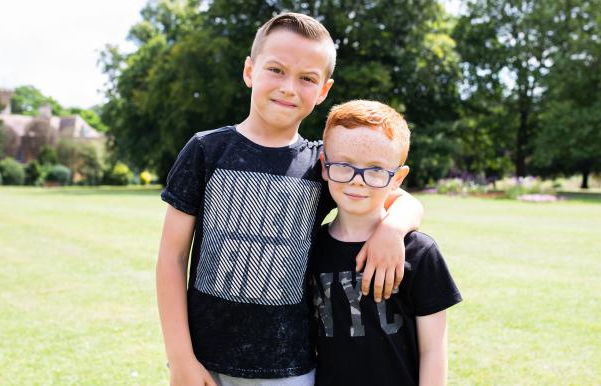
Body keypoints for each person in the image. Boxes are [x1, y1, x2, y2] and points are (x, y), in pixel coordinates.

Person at [155, 13, 424, 386]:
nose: (289, 88)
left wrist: (393, 230)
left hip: (290, 369)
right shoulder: (206, 150)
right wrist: (180, 357)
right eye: (276, 70)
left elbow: (402, 197)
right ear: (250, 70)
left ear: (324, 91)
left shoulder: (322, 165)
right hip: (203, 362)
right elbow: (171, 258)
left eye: (307, 78)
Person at [310, 100, 462, 386]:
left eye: (376, 170)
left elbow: (433, 349)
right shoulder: (311, 248)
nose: (358, 181)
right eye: (344, 165)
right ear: (324, 166)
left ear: (398, 178)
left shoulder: (419, 252)